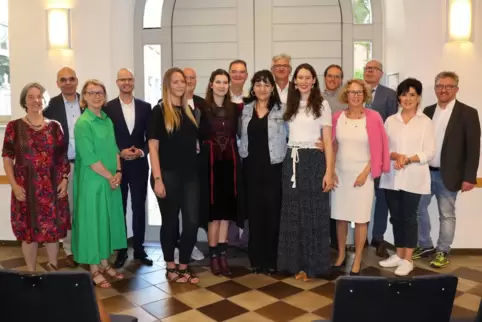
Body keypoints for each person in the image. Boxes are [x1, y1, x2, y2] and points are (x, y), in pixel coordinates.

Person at [414, 71, 481, 268]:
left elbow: (473, 148)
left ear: (456, 89)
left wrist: (469, 177)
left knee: (447, 214)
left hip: (449, 176)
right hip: (425, 173)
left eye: (448, 86)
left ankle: (443, 250)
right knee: (418, 210)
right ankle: (425, 245)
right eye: (440, 86)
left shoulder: (468, 113)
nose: (443, 90)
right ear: (435, 89)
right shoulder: (427, 110)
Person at [2, 82, 71, 272]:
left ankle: (52, 270)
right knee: (28, 233)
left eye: (39, 96)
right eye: (31, 97)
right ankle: (31, 273)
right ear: (24, 100)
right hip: (25, 189)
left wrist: (65, 179)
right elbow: (7, 158)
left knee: (52, 232)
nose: (36, 100)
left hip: (52, 188)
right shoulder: (14, 127)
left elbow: (62, 158)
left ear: (44, 100)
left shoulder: (55, 127)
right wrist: (14, 186)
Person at [277, 63, 335, 280]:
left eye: (307, 77)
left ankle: (313, 265)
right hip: (291, 161)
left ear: (313, 81)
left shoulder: (323, 105)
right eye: (299, 77)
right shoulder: (287, 104)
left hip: (313, 160)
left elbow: (328, 142)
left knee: (314, 213)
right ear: (294, 81)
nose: (303, 81)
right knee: (293, 213)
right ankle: (294, 264)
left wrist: (329, 172)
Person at [331, 79, 390, 275]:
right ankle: (340, 254)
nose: (355, 96)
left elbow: (379, 148)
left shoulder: (374, 117)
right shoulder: (337, 117)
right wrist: (330, 171)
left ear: (364, 95)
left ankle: (357, 257)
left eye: (359, 92)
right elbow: (333, 145)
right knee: (340, 218)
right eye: (351, 92)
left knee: (361, 219)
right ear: (345, 95)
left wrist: (366, 174)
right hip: (340, 174)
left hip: (363, 175)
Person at [148, 67, 200, 284]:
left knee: (192, 221)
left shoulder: (189, 111)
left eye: (184, 81)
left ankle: (184, 264)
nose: (181, 85)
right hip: (166, 175)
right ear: (168, 85)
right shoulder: (159, 111)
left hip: (190, 175)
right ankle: (170, 266)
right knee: (170, 221)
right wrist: (158, 179)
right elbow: (153, 147)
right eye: (176, 81)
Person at [379, 78, 435, 276]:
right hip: (392, 177)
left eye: (412, 94)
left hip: (414, 178)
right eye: (404, 94)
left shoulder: (425, 122)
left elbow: (429, 152)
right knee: (395, 217)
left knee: (409, 218)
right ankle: (399, 254)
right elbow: (385, 148)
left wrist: (408, 159)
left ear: (418, 97)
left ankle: (408, 259)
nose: (407, 98)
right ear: (399, 98)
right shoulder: (390, 121)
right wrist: (396, 156)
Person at [73, 80, 126, 288]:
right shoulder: (83, 123)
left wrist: (119, 171)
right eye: (92, 93)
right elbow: (89, 157)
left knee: (107, 222)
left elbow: (114, 148)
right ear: (84, 97)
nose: (97, 96)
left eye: (100, 92)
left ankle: (105, 262)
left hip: (110, 180)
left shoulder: (106, 119)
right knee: (93, 224)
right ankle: (94, 268)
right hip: (93, 182)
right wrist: (109, 176)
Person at [104, 68, 153, 268]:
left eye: (129, 79)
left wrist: (141, 152)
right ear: (117, 82)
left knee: (139, 208)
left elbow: (151, 137)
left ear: (134, 82)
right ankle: (121, 249)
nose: (126, 82)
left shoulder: (145, 107)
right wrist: (119, 153)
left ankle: (140, 249)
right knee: (119, 209)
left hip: (140, 165)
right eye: (122, 79)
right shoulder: (108, 108)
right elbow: (107, 139)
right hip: (118, 166)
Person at [239, 70, 285, 275]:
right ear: (253, 87)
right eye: (258, 84)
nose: (262, 88)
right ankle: (256, 259)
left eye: (266, 85)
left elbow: (291, 137)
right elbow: (239, 136)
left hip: (274, 169)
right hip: (251, 169)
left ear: (272, 88)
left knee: (273, 215)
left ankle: (271, 260)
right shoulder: (246, 110)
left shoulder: (282, 111)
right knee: (255, 215)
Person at [199, 69, 244, 276]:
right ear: (211, 84)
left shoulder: (235, 109)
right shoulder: (202, 108)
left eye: (225, 82)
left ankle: (224, 255)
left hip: (230, 164)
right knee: (213, 213)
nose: (222, 85)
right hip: (210, 164)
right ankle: (214, 256)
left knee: (226, 212)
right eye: (218, 82)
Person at [43, 67, 82, 268]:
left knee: (86, 208)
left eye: (71, 79)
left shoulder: (88, 101)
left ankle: (86, 246)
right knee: (68, 209)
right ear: (57, 83)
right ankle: (70, 249)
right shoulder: (49, 107)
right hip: (65, 167)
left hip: (89, 165)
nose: (68, 82)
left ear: (77, 81)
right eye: (63, 80)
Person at [363, 60, 398, 257]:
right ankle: (356, 237)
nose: (370, 71)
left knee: (381, 198)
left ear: (381, 73)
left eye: (374, 69)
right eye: (367, 68)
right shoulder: (355, 90)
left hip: (379, 155)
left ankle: (377, 236)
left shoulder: (389, 94)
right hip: (357, 155)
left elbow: (393, 124)